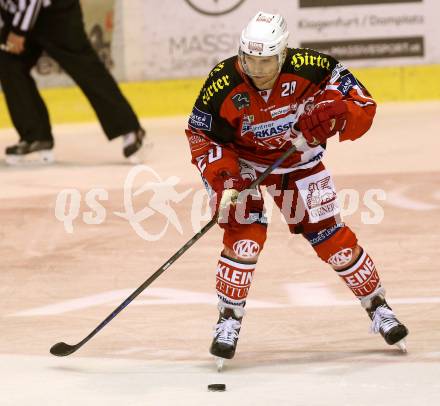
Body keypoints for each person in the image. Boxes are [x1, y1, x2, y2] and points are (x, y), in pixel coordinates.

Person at [185, 11, 408, 369]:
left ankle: (379, 307)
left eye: (266, 61)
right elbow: (201, 134)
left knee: (332, 240)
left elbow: (362, 103)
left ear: (283, 54)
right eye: (249, 60)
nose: (257, 70)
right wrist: (224, 178)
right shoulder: (222, 82)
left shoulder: (313, 67)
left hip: (300, 163)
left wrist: (337, 113)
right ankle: (229, 318)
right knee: (245, 239)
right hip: (243, 167)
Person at [0, 0, 148, 165]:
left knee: (84, 68)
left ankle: (129, 128)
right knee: (8, 64)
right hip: (19, 14)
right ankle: (35, 137)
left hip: (55, 14)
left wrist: (18, 31)